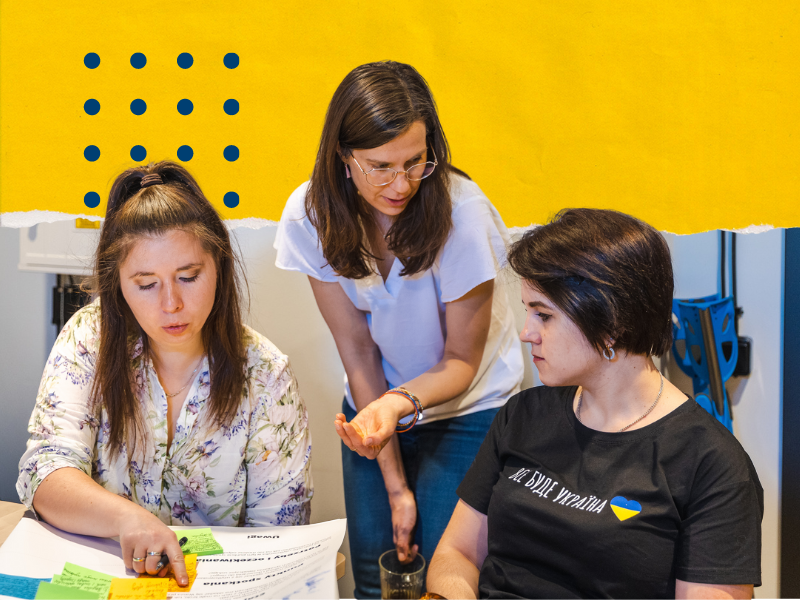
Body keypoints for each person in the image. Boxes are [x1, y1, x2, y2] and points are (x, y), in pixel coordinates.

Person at [274, 61, 524, 598]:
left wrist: (394, 407)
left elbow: (461, 360)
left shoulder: (464, 216)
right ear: (343, 158)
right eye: (380, 166)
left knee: (440, 574)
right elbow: (358, 353)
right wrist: (394, 484)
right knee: (374, 572)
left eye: (416, 162)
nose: (401, 183)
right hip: (376, 399)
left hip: (468, 408)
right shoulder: (309, 217)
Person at [425, 208, 764, 599]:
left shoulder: (711, 462)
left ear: (611, 322)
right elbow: (459, 553)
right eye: (527, 312)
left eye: (543, 315)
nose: (525, 333)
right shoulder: (523, 415)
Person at [17, 162, 313, 586]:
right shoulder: (88, 338)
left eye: (188, 277)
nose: (171, 303)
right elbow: (44, 471)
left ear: (219, 267)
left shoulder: (265, 375)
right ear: (118, 282)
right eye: (146, 284)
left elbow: (280, 533)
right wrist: (126, 519)